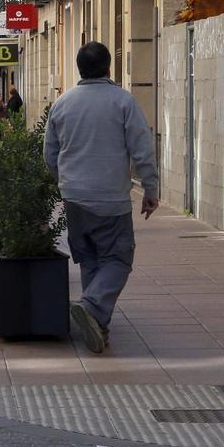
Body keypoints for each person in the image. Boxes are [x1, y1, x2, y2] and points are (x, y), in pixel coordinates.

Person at [45, 42, 159, 354]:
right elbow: (142, 149)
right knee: (119, 258)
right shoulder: (123, 102)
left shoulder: (62, 103)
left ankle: (97, 325)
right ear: (109, 67)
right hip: (110, 198)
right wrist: (151, 189)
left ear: (79, 67)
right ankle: (93, 307)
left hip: (74, 196)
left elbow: (49, 155)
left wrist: (65, 182)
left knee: (91, 258)